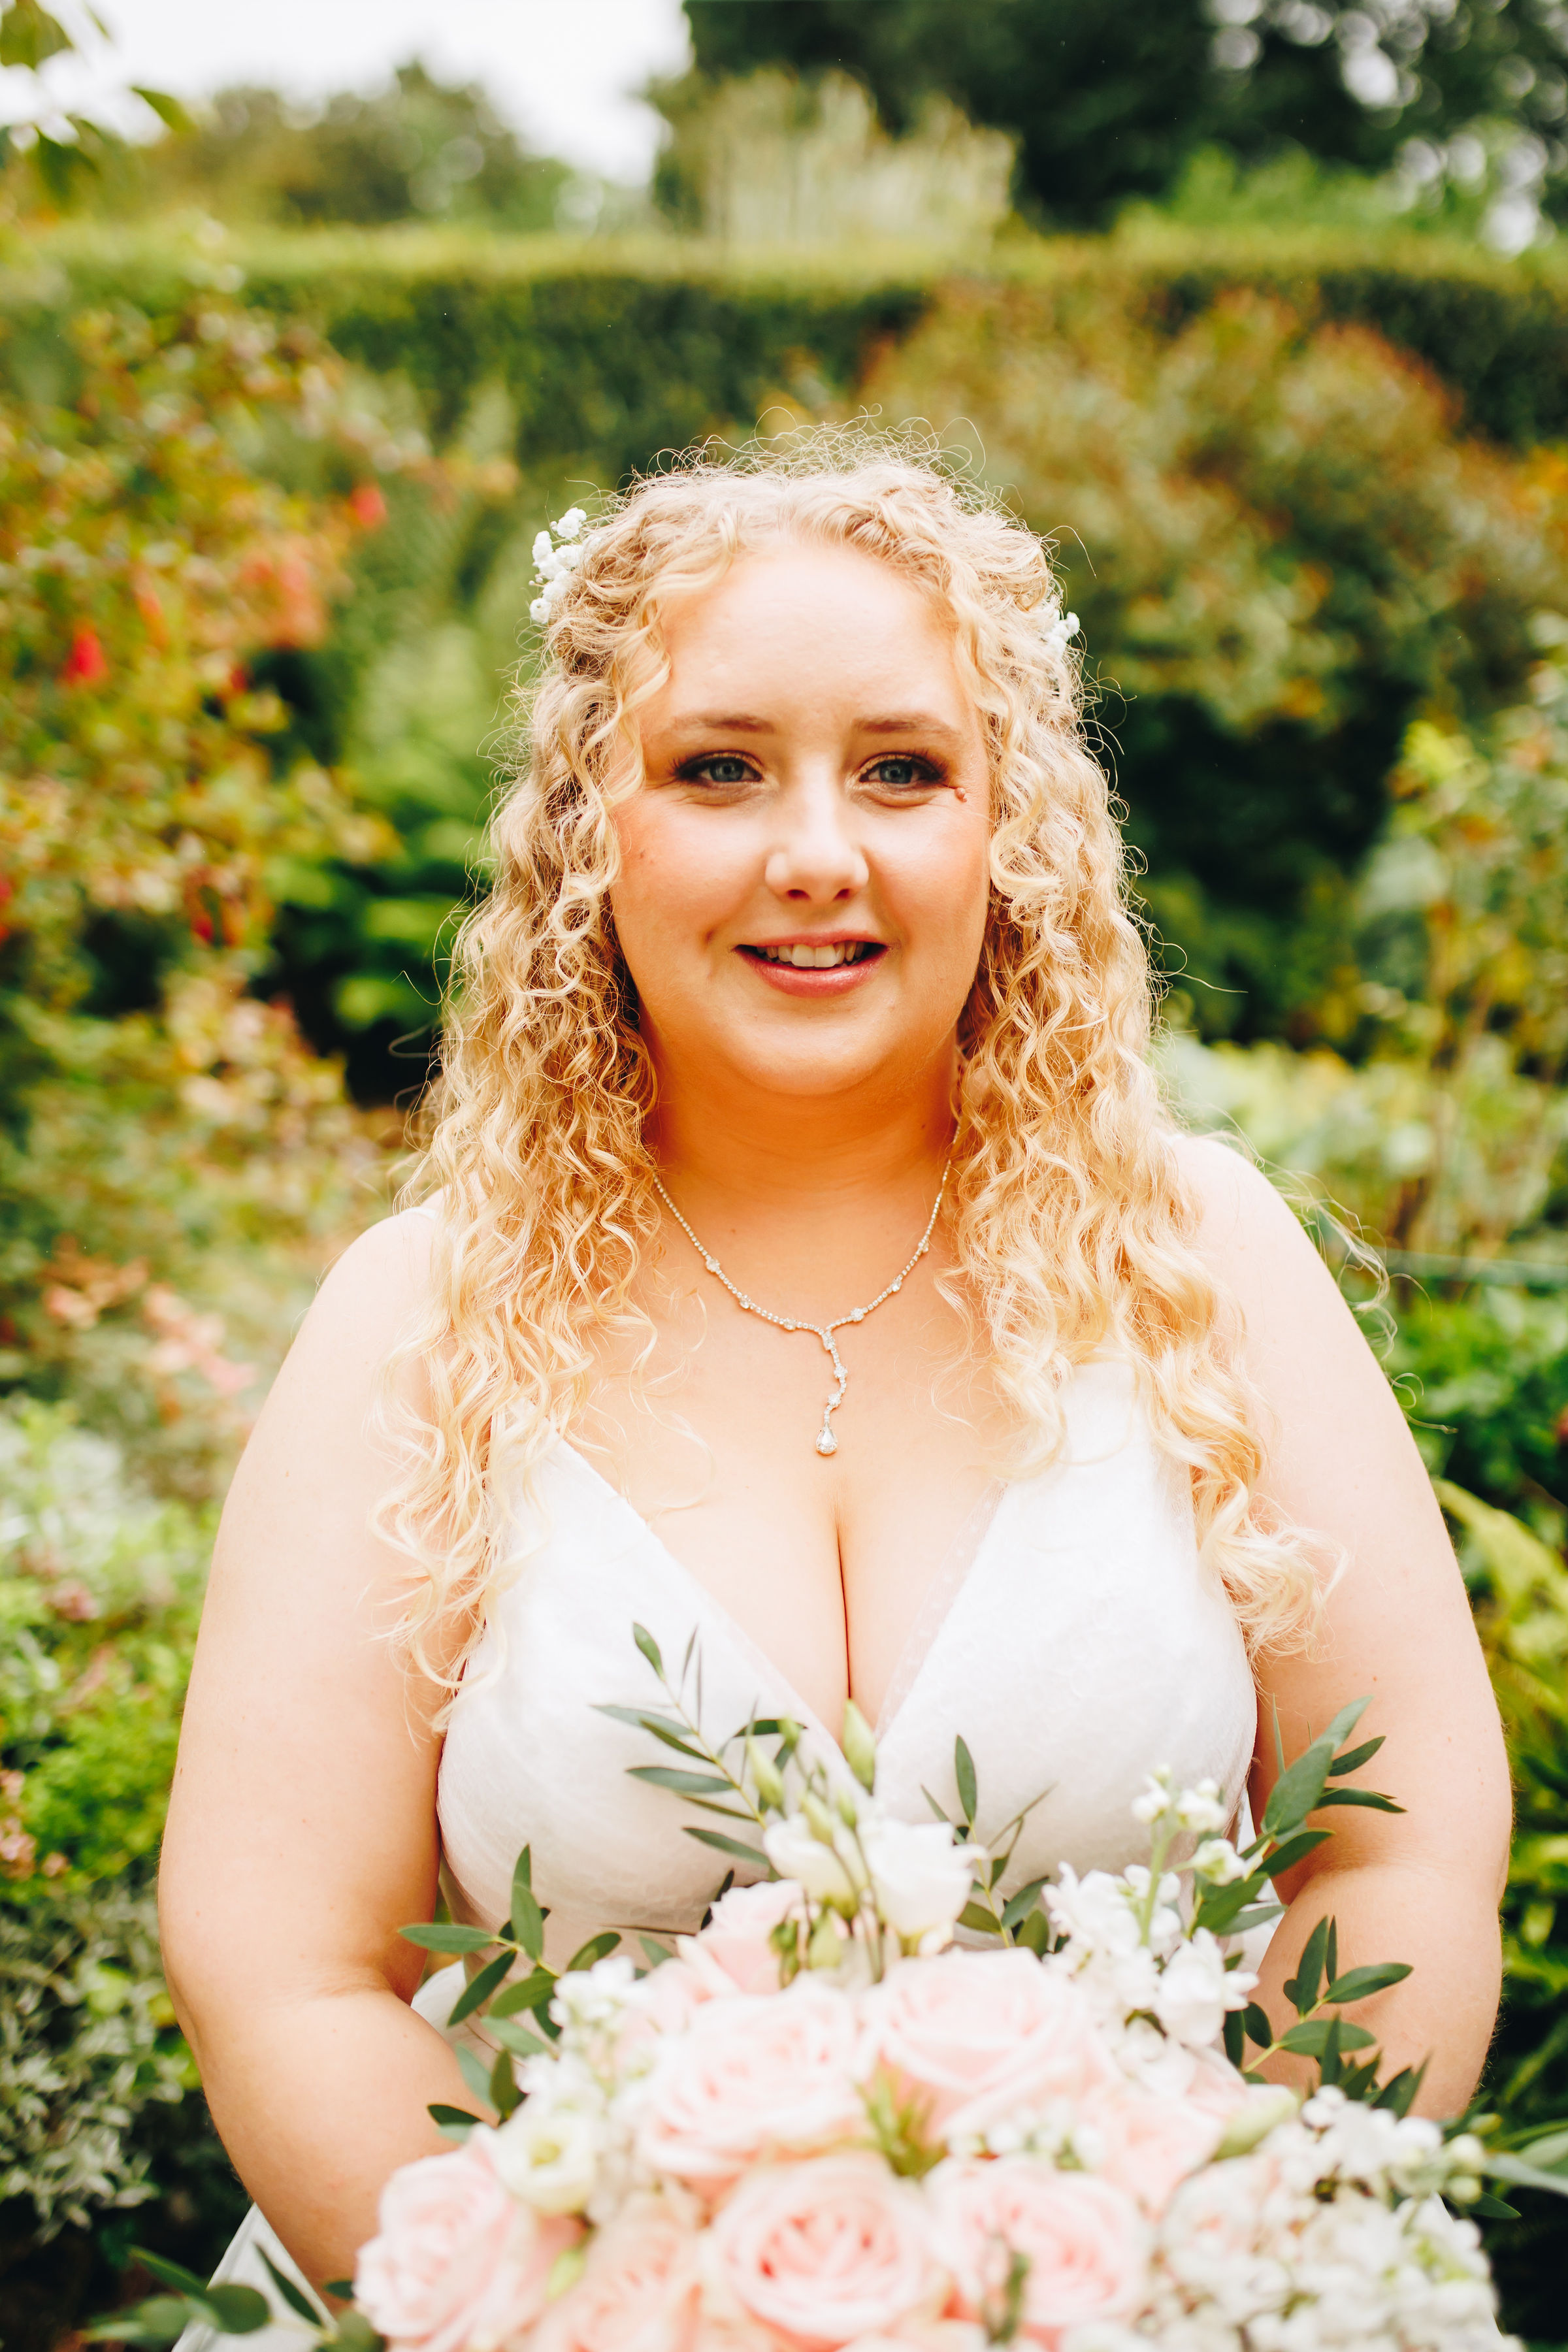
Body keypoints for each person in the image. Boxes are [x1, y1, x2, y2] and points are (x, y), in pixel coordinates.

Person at [158, 440, 1510, 2334]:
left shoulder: (1198, 1262)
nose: (819, 850)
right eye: (719, 768)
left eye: (903, 768)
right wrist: (615, 2309)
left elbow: (1404, 1850)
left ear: (1006, 831)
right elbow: (284, 1974)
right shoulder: (423, 1322)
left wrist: (1212, 2266)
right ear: (587, 834)